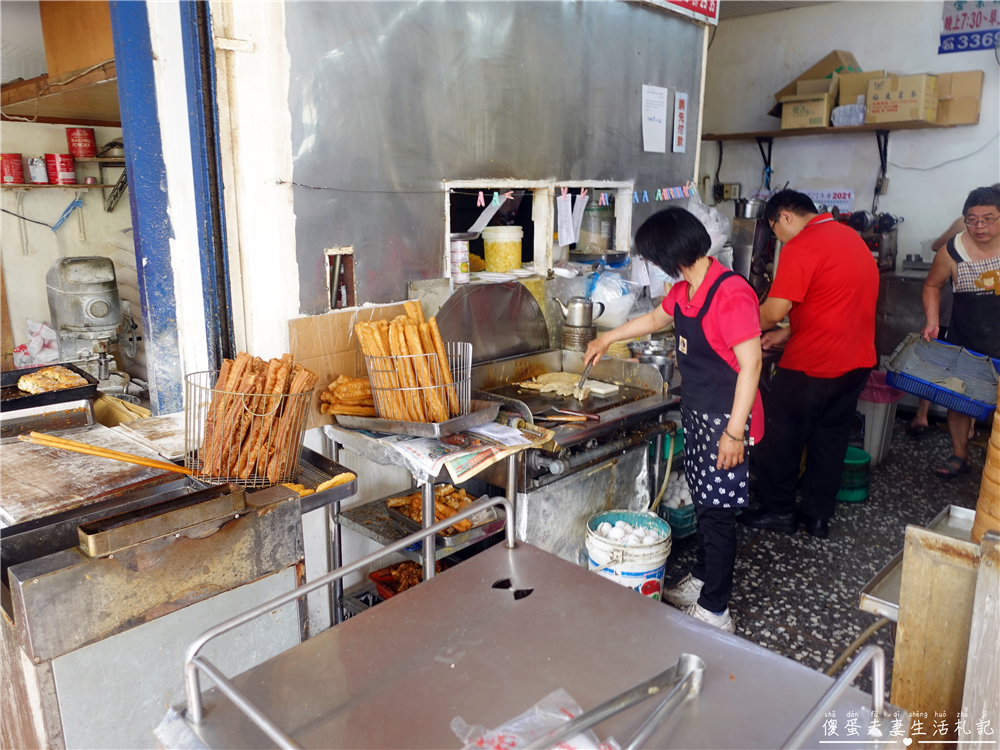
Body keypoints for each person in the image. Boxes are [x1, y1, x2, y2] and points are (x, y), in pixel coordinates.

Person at [584, 207, 763, 633]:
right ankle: (702, 578)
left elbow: (752, 365)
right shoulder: (685, 290)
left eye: (652, 256)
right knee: (704, 504)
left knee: (718, 514)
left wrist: (733, 434)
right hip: (700, 415)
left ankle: (716, 610)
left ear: (670, 254)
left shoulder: (730, 293)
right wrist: (607, 337)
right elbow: (655, 318)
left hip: (728, 421)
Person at [740, 190, 878, 539]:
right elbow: (835, 299)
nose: (778, 240)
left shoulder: (802, 245)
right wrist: (790, 331)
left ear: (785, 216)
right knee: (829, 439)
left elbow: (772, 312)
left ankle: (779, 511)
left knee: (777, 436)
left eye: (775, 231)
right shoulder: (851, 238)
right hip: (857, 361)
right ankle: (817, 518)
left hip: (814, 363)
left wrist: (732, 326)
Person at [919, 185, 1000, 478]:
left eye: (988, 219)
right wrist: (932, 320)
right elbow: (932, 285)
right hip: (967, 337)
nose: (980, 227)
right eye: (972, 220)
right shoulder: (952, 251)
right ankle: (960, 455)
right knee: (960, 401)